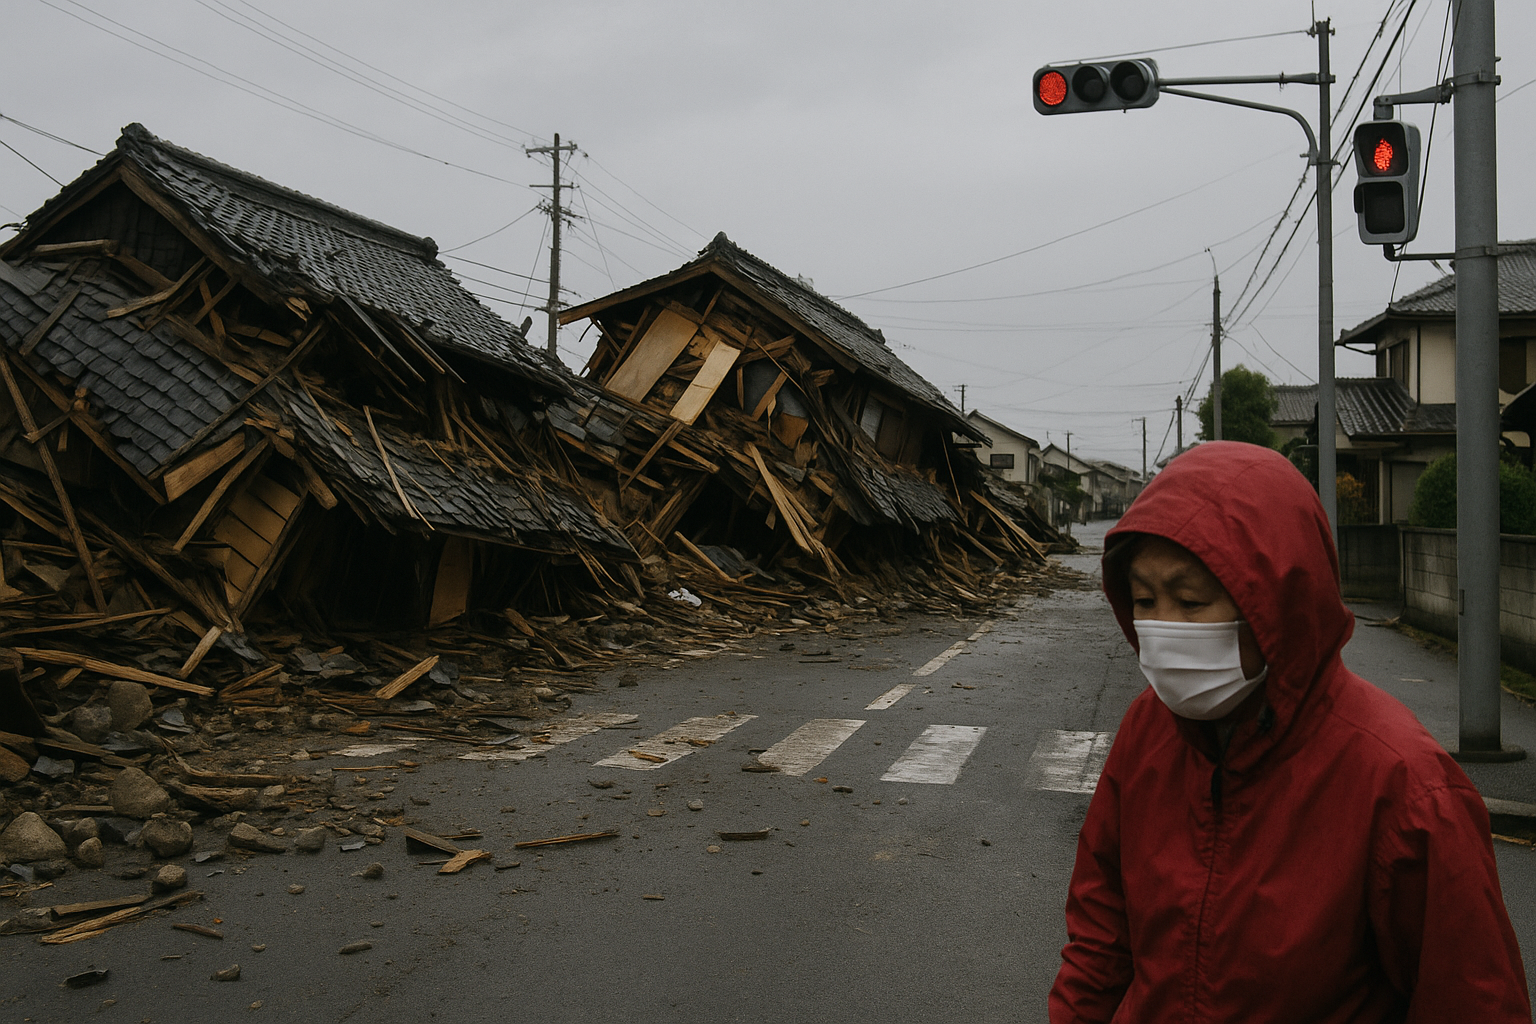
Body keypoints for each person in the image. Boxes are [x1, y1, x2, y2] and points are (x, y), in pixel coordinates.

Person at [1048, 441, 1530, 1023]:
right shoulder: (1146, 732)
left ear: (1277, 601)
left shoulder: (1406, 787)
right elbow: (1100, 943)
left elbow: (1470, 1000)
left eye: (1191, 600)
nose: (1162, 629)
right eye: (1144, 600)